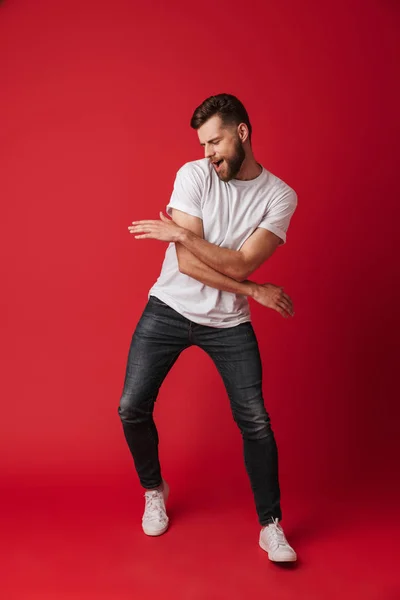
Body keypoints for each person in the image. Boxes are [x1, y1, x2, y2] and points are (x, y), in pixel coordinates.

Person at [118, 93, 298, 562]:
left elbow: (240, 265)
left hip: (228, 323)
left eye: (214, 141)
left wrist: (184, 234)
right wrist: (255, 289)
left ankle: (270, 526)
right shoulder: (193, 174)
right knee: (131, 407)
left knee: (255, 422)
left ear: (242, 133)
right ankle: (154, 489)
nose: (208, 153)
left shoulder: (279, 196)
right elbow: (187, 265)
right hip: (169, 307)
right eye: (202, 144)